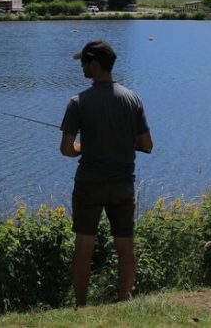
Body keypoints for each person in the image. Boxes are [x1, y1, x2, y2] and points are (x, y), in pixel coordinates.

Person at [59, 39, 153, 306]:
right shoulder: (132, 98)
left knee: (84, 244)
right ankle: (124, 300)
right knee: (125, 245)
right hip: (123, 184)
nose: (82, 67)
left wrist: (82, 146)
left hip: (89, 184)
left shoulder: (78, 102)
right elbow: (146, 145)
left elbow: (67, 149)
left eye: (84, 62)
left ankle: (81, 305)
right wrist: (125, 142)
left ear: (95, 64)